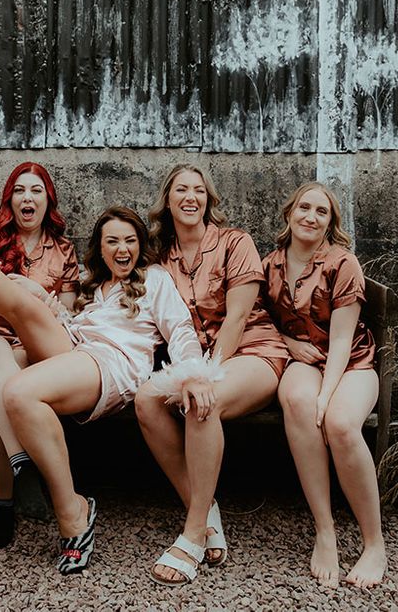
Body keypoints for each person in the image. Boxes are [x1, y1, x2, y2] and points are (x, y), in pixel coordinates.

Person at [0, 158, 219, 574]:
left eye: (129, 241)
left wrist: (194, 373)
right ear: (99, 250)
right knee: (16, 296)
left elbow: (181, 331)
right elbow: (61, 319)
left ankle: (72, 509)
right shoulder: (91, 288)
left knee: (17, 389)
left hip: (111, 363)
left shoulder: (155, 279)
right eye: (111, 242)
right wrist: (39, 294)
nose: (122, 249)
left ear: (141, 245)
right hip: (73, 345)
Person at [135, 163, 290, 586]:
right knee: (146, 398)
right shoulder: (158, 258)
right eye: (181, 190)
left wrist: (205, 373)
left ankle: (190, 535)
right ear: (167, 200)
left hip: (252, 353)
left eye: (199, 191)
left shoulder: (234, 242)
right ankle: (207, 515)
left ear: (209, 199)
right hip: (194, 361)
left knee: (206, 401)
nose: (190, 197)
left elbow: (238, 319)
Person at [0, 162, 80, 548]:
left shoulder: (63, 248)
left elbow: (66, 313)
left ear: (47, 200)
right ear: (10, 198)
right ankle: (22, 464)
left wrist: (43, 299)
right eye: (20, 190)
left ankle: (4, 502)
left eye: (36, 191)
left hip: (26, 348)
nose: (28, 198)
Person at [262, 181, 385, 589]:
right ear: (289, 213)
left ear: (331, 222)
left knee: (339, 423)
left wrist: (327, 397)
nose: (310, 217)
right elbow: (261, 323)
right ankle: (325, 531)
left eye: (321, 212)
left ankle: (374, 543)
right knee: (297, 399)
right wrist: (289, 342)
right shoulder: (271, 264)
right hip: (305, 358)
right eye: (304, 208)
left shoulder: (342, 263)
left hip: (350, 361)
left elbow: (341, 341)